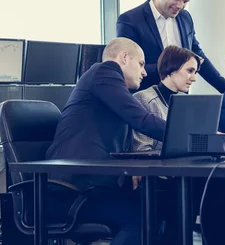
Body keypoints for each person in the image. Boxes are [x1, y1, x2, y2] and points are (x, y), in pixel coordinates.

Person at [45, 38, 166, 245]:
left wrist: (134, 165)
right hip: (70, 190)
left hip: (88, 185)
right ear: (124, 58)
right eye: (141, 64)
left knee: (159, 205)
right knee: (142, 216)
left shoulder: (107, 87)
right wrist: (191, 133)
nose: (144, 72)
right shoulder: (105, 72)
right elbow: (141, 120)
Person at [116, 0, 225, 92]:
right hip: (145, 101)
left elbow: (197, 55)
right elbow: (127, 68)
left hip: (180, 100)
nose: (180, 6)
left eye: (185, 1)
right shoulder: (130, 20)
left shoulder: (185, 17)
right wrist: (174, 67)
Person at [131, 45, 201, 152]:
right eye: (190, 71)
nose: (194, 78)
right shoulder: (143, 99)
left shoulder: (186, 101)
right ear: (172, 69)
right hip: (158, 167)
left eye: (195, 73)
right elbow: (142, 150)